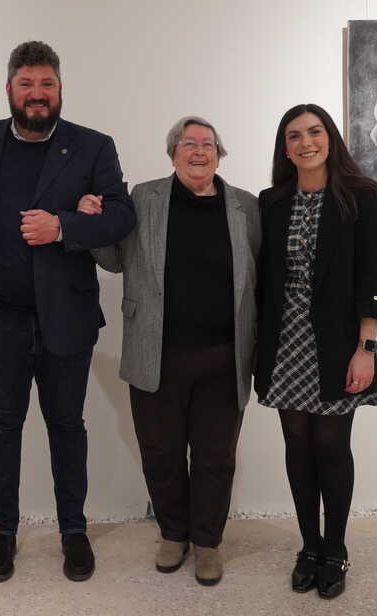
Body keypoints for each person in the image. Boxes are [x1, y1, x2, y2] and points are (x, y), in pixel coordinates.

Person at [0, 41, 136, 583]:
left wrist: (64, 225)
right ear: (9, 89)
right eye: (27, 84)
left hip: (66, 318)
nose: (37, 94)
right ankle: (1, 533)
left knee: (67, 426)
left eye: (47, 84)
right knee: (1, 428)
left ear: (60, 89)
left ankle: (73, 531)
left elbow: (122, 216)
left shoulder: (92, 146)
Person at [91, 116, 260, 586]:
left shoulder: (246, 206)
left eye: (208, 144)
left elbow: (260, 276)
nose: (199, 151)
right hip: (156, 352)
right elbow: (113, 259)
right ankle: (172, 533)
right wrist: (94, 221)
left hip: (223, 356)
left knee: (215, 456)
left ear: (219, 155)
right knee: (160, 452)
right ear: (173, 154)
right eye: (189, 143)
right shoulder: (143, 198)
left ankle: (207, 541)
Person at [255, 103, 377, 599]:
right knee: (297, 446)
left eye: (314, 132)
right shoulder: (272, 201)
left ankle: (336, 547)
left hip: (337, 344)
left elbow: (372, 276)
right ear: (285, 148)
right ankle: (309, 546)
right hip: (283, 340)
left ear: (330, 138)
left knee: (332, 447)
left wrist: (366, 347)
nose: (305, 142)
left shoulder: (361, 196)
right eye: (294, 135)